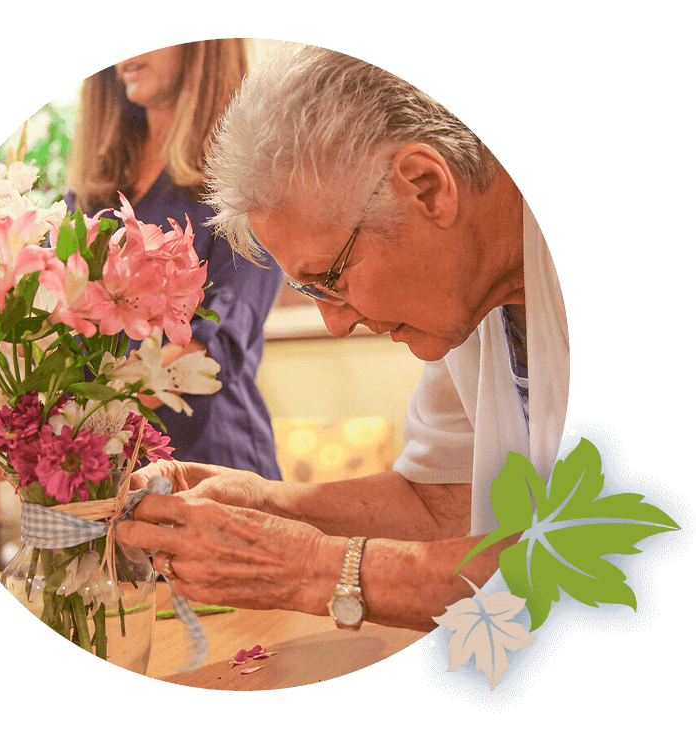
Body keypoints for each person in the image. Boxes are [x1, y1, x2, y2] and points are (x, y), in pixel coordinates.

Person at [115, 43, 570, 632]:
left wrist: (312, 569)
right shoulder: (465, 308)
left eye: (330, 278)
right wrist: (262, 501)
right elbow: (438, 505)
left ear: (426, 188)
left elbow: (600, 550)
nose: (337, 322)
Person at [63, 40, 284, 479]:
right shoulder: (90, 191)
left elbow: (216, 341)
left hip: (208, 466)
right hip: (95, 471)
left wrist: (84, 419)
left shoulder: (252, 174)